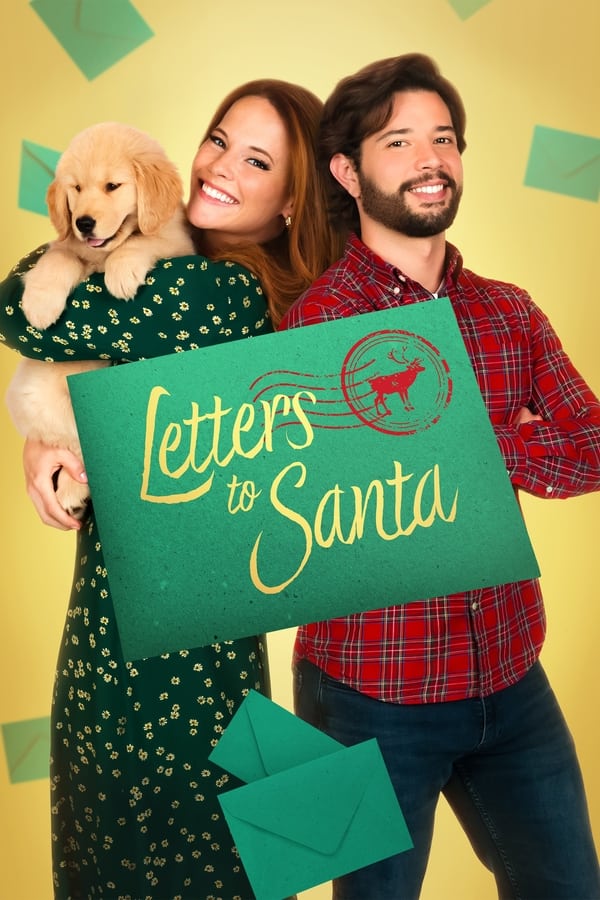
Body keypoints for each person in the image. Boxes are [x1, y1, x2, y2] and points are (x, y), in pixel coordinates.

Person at [0, 79, 342, 899]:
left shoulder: (234, 294)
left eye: (257, 160)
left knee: (196, 867)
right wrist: (46, 439)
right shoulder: (180, 260)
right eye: (219, 138)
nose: (219, 166)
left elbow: (20, 306)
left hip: (171, 655)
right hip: (132, 625)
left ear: (295, 201)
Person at [279, 54, 600, 900]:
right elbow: (303, 497)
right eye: (399, 142)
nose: (431, 159)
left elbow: (595, 445)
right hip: (361, 695)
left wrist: (487, 448)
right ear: (348, 172)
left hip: (512, 675)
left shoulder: (510, 310)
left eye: (444, 139)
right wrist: (520, 439)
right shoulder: (314, 323)